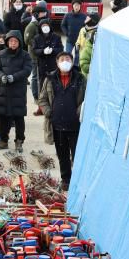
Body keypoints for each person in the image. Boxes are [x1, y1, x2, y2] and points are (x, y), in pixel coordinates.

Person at [38, 52, 86, 191]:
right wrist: (48, 112)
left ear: (72, 62)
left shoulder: (80, 78)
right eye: (62, 59)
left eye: (68, 59)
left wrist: (79, 112)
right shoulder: (50, 78)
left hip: (75, 125)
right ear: (57, 62)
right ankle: (66, 180)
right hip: (57, 124)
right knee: (62, 155)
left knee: (77, 155)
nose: (65, 61)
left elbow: (86, 99)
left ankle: (78, 181)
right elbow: (42, 98)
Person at [0, 30, 33, 152]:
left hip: (18, 91)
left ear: (19, 43)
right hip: (3, 90)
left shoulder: (25, 55)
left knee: (18, 117)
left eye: (15, 41)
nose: (13, 43)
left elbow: (27, 70)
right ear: (7, 42)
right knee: (2, 116)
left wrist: (14, 77)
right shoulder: (1, 54)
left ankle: (19, 141)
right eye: (11, 41)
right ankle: (3, 140)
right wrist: (1, 76)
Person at [24, 5, 48, 113]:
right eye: (42, 13)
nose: (45, 15)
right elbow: (27, 40)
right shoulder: (32, 26)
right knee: (35, 76)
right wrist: (38, 45)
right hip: (34, 55)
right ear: (36, 14)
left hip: (43, 54)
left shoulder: (42, 24)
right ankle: (36, 96)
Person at [32, 19, 64, 95]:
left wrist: (52, 50)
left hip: (53, 64)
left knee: (54, 82)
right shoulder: (36, 38)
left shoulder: (56, 37)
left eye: (46, 25)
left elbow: (61, 49)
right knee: (42, 83)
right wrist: (42, 51)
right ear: (40, 27)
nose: (45, 27)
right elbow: (34, 50)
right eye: (43, 26)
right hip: (42, 65)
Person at [77, 13, 100, 79]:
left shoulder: (97, 31)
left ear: (93, 20)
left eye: (88, 18)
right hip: (81, 54)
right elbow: (79, 38)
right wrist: (77, 44)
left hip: (90, 56)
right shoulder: (83, 29)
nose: (86, 19)